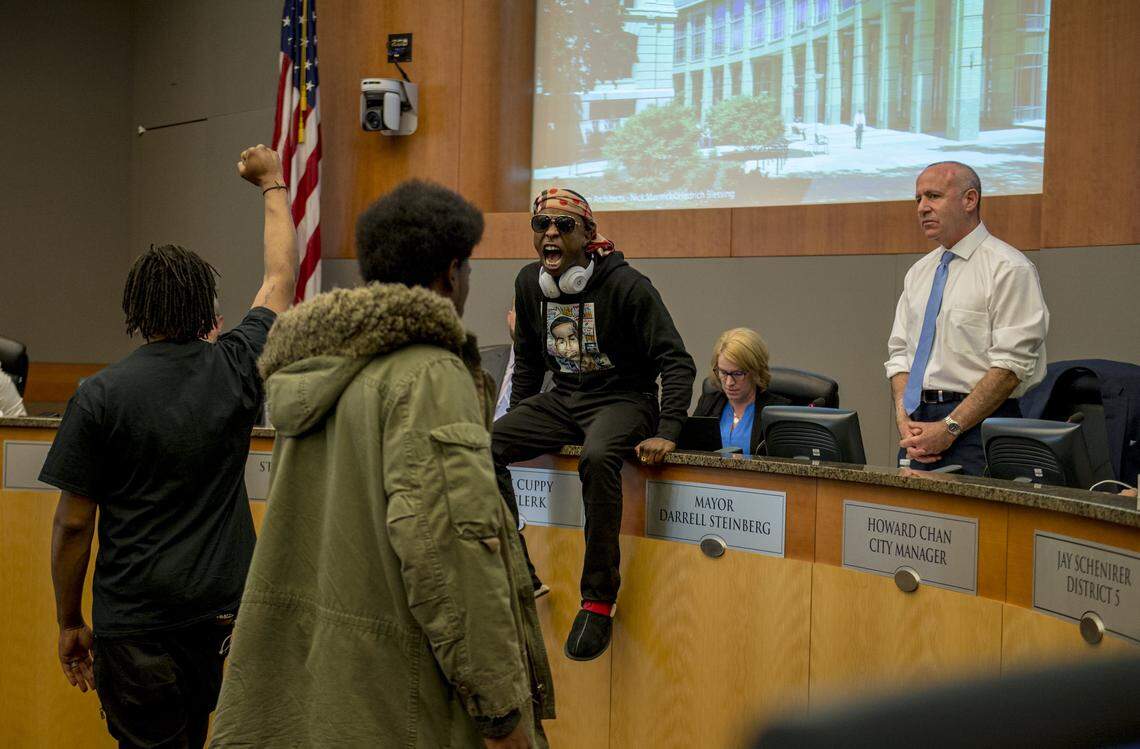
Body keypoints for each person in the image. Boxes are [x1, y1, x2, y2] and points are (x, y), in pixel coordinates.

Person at [210, 180, 554, 748]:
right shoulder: (430, 374)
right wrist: (500, 711)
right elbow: (450, 553)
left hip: (321, 695)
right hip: (405, 701)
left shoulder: (320, 364)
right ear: (451, 273)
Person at [39, 144, 296, 749]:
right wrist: (273, 184)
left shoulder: (97, 395)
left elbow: (75, 526)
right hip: (219, 615)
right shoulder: (234, 366)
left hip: (135, 623)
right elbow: (279, 279)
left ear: (135, 312)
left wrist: (70, 620)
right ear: (206, 307)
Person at [492, 187, 696, 662]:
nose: (551, 234)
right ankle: (517, 566)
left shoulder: (628, 286)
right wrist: (518, 418)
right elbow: (527, 366)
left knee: (599, 455)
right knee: (486, 443)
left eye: (563, 226)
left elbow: (677, 361)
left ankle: (598, 601)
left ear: (587, 234)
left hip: (624, 398)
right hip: (565, 396)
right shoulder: (528, 285)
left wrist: (668, 428)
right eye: (541, 225)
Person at [886, 161, 1049, 476]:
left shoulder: (1008, 268)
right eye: (918, 199)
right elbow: (899, 355)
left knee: (973, 525)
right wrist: (903, 417)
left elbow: (1010, 367)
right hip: (918, 423)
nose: (922, 208)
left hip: (980, 425)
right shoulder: (919, 272)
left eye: (933, 196)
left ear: (970, 200)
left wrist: (949, 427)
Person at [692, 328, 790, 456]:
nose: (729, 382)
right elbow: (692, 452)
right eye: (723, 372)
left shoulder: (778, 410)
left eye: (737, 373)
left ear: (756, 371)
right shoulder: (708, 404)